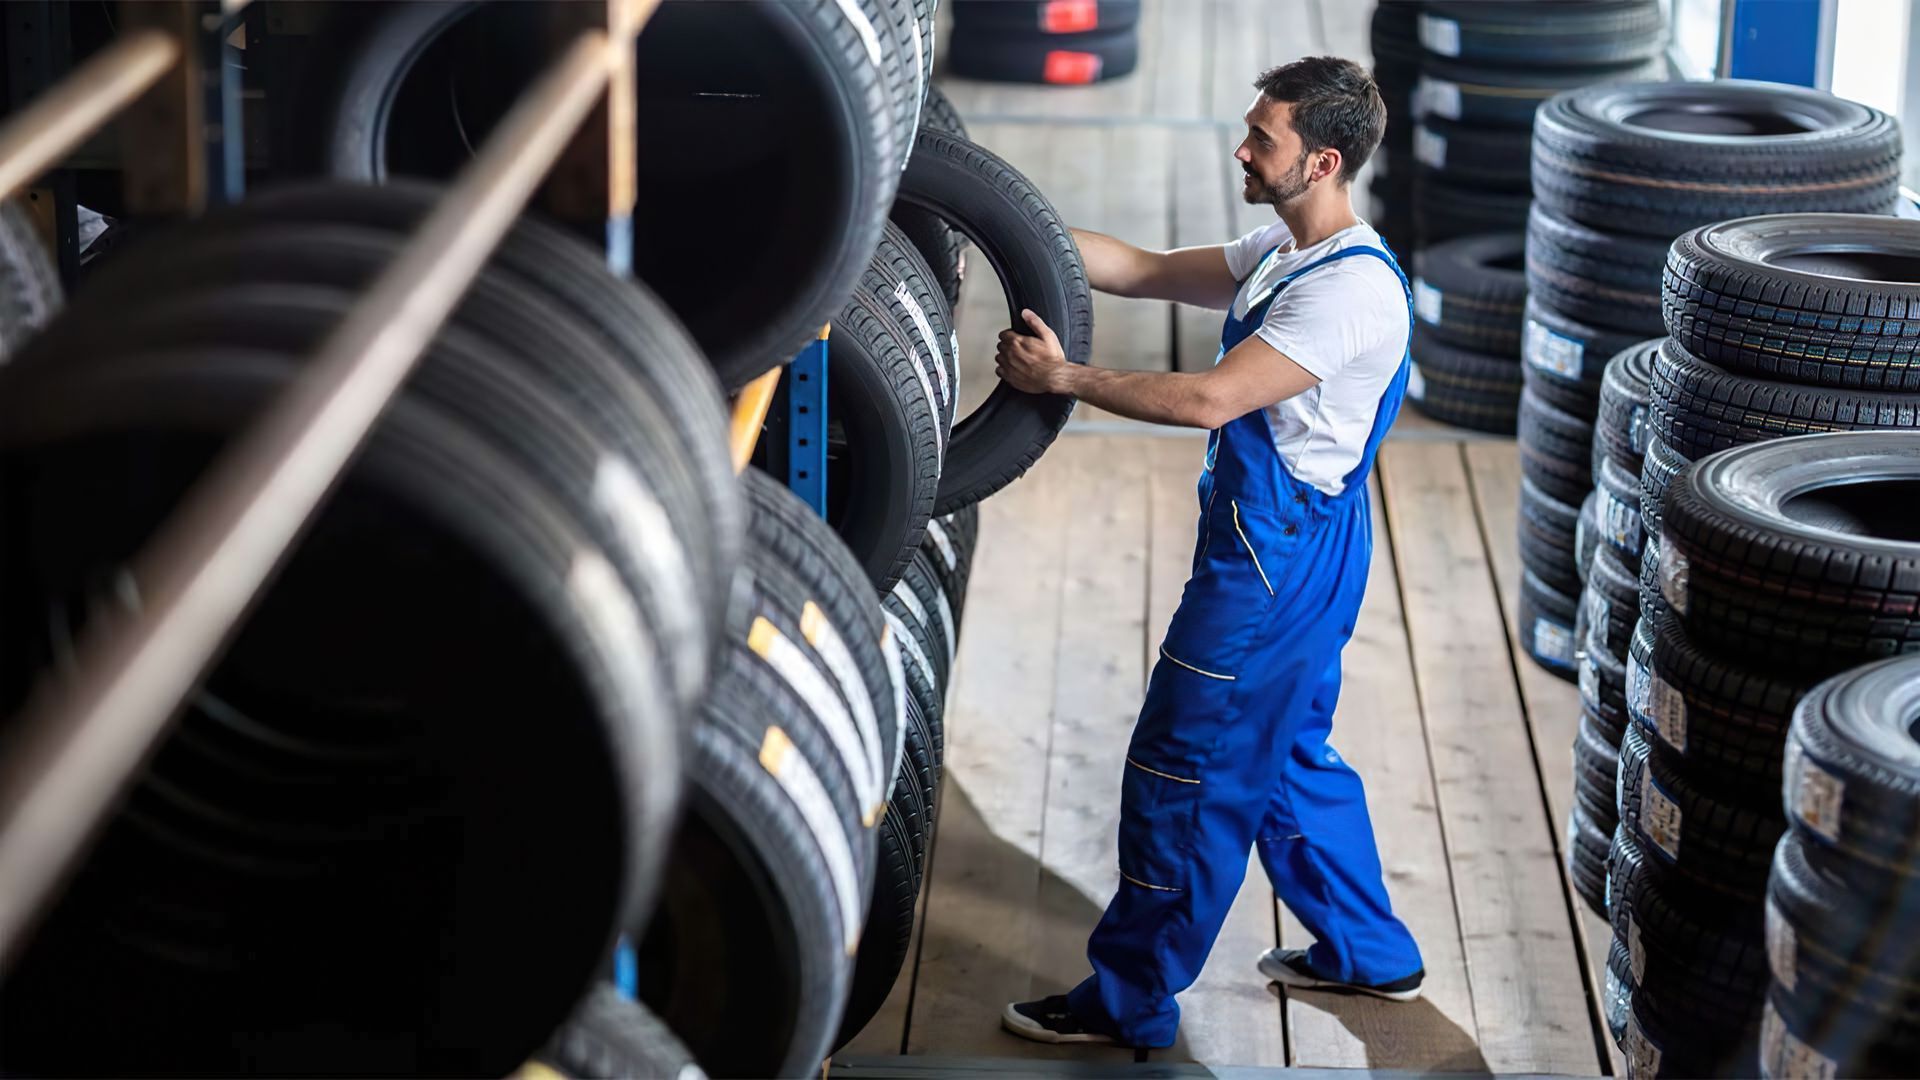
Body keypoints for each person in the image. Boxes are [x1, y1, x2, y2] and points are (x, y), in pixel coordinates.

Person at [993, 56, 1425, 1050]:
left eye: (1262, 137)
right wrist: (1000, 222)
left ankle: (1130, 999)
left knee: (1185, 765)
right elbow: (1138, 268)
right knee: (1282, 755)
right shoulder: (1285, 249)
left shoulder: (1348, 294)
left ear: (1320, 161)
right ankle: (1371, 951)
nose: (1242, 147)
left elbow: (1209, 399)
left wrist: (1062, 377)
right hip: (1305, 545)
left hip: (1272, 566)